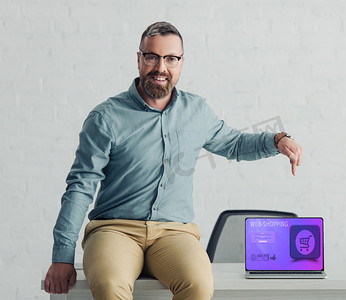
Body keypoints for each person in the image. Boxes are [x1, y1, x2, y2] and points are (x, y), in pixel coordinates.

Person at [44, 21, 303, 300]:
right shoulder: (106, 118)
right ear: (139, 59)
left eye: (171, 58)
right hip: (115, 230)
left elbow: (235, 144)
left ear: (181, 62)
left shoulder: (197, 110)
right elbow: (80, 187)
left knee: (198, 284)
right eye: (152, 57)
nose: (161, 67)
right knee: (110, 286)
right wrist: (62, 255)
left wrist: (277, 140)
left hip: (174, 233)